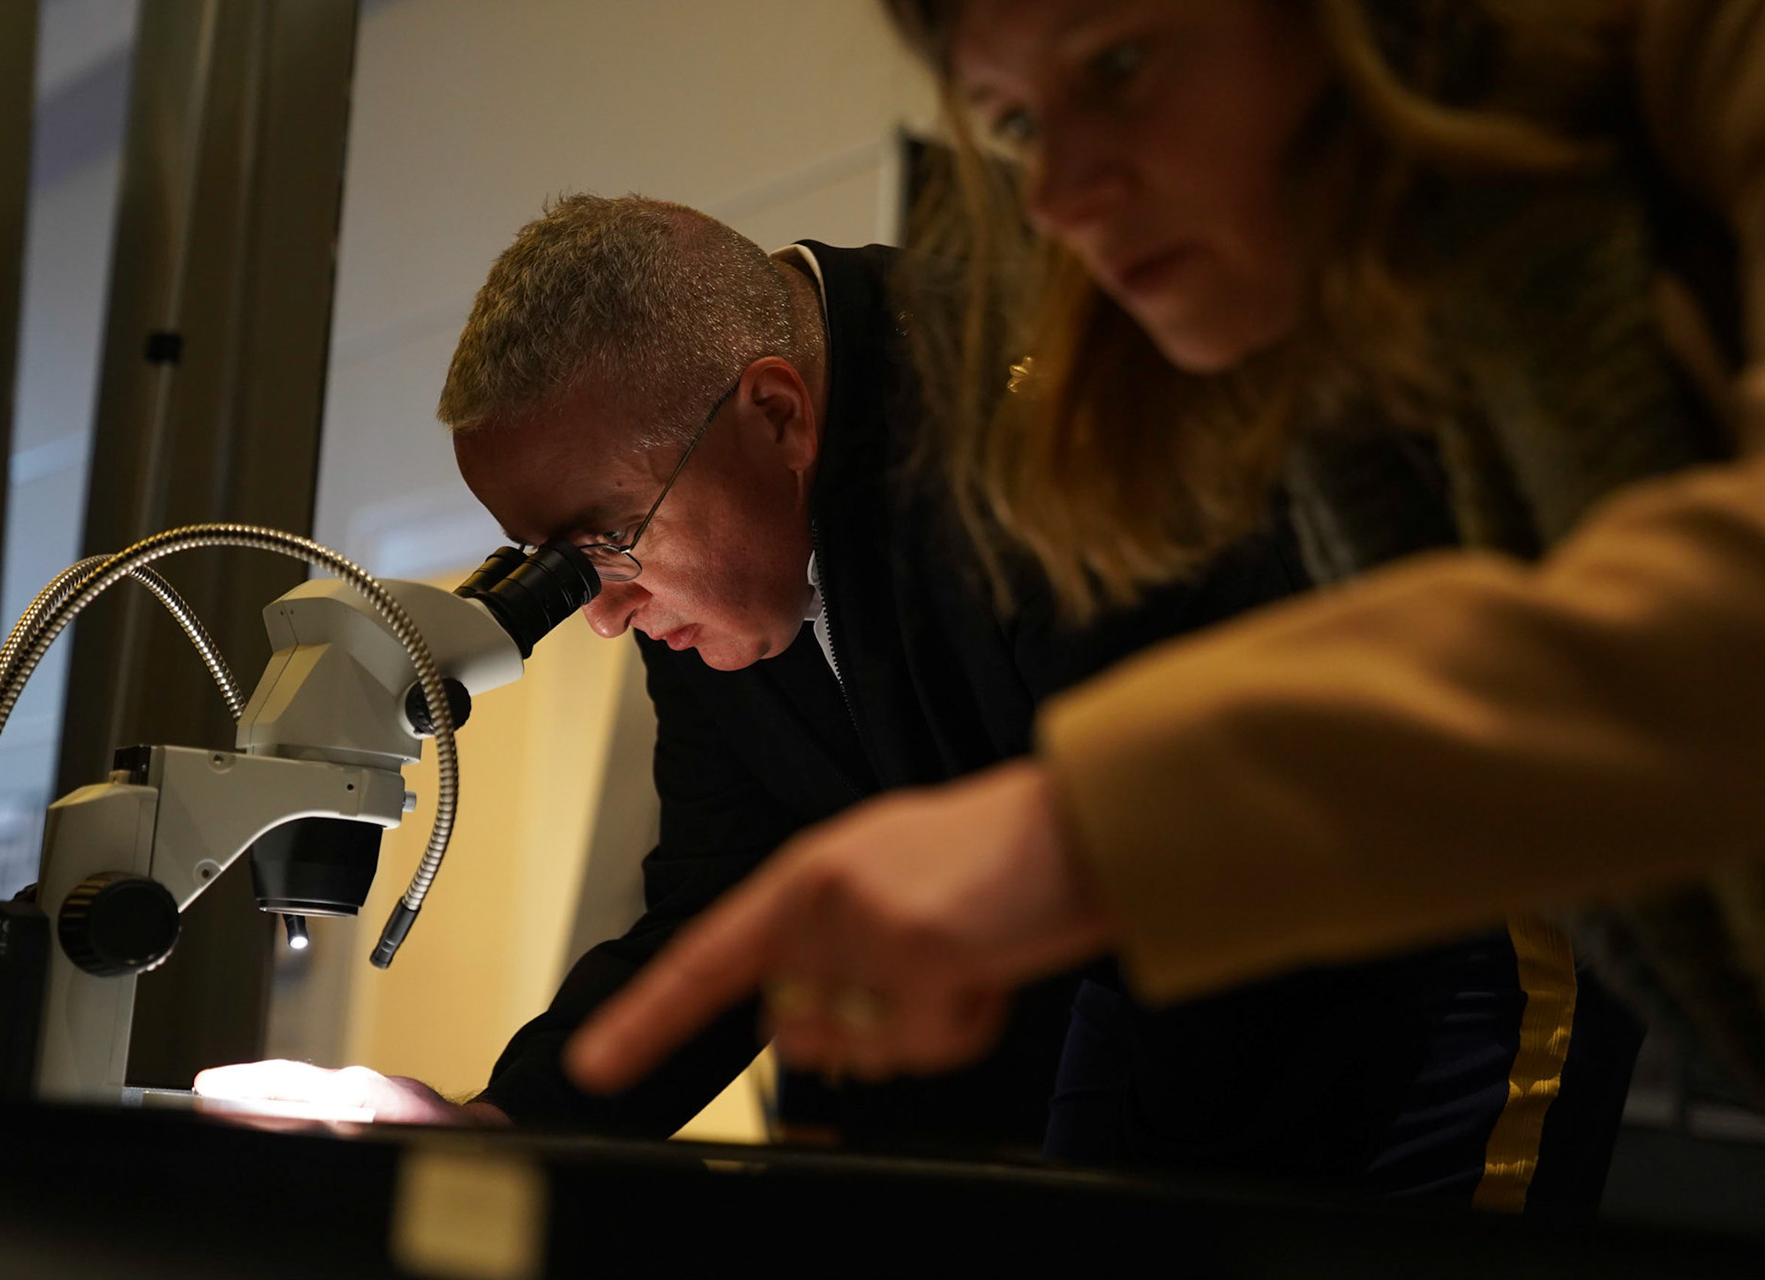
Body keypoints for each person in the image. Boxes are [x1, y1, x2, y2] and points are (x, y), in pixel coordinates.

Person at [203, 195, 1629, 1204]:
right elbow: (730, 897)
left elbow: (1176, 889)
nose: (603, 609)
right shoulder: (711, 555)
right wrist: (506, 1124)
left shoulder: (1046, 439)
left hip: (1416, 943)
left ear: (775, 412)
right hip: (1155, 995)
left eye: (600, 549)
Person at [563, 0, 1765, 1194]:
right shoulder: (1338, 362)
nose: (1059, 195)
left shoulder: (1715, 54)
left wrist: (1076, 828)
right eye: (1022, 121)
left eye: (1123, 64)